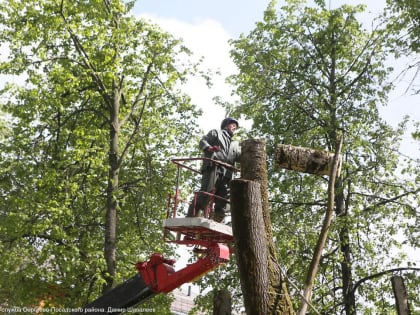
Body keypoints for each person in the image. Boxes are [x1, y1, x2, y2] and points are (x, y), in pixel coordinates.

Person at [187, 117, 241, 222]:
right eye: (233, 124)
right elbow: (203, 141)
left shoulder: (235, 144)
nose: (234, 127)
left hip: (227, 173)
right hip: (213, 167)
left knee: (224, 198)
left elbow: (240, 157)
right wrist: (209, 148)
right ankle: (192, 215)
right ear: (226, 125)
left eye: (236, 126)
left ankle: (217, 219)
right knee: (207, 191)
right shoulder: (216, 133)